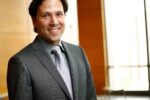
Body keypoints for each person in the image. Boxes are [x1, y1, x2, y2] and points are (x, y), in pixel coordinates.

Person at [7, 0, 97, 100]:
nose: (54, 22)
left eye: (59, 14)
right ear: (34, 21)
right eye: (46, 15)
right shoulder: (21, 62)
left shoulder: (79, 53)